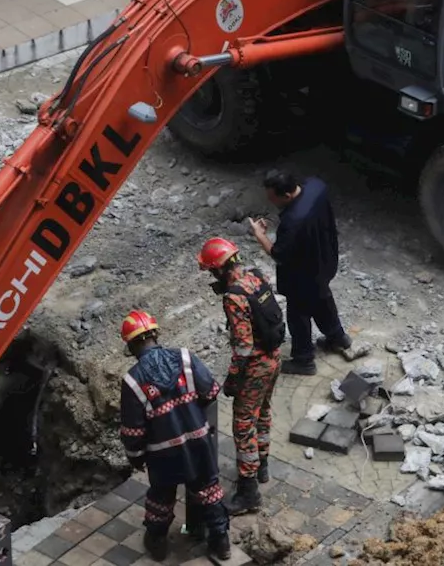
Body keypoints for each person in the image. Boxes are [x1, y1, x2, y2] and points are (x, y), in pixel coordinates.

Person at [119, 309, 231, 562]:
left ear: (132, 344)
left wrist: (135, 457)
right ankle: (221, 542)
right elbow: (212, 390)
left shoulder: (133, 381)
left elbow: (133, 430)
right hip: (199, 444)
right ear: (155, 334)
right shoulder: (185, 358)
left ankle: (157, 543)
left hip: (163, 454)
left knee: (161, 497)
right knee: (209, 490)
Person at [198, 237, 285, 515]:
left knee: (243, 422)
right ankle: (262, 466)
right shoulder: (257, 277)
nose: (213, 276)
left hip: (256, 366)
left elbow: (243, 346)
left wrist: (233, 379)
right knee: (263, 412)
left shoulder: (234, 296)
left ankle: (249, 492)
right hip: (275, 358)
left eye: (213, 271)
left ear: (221, 269)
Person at [249, 171, 351, 376]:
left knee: (298, 313)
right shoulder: (316, 185)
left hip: (303, 274)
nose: (270, 201)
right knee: (322, 298)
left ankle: (304, 360)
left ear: (286, 195)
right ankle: (337, 337)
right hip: (325, 260)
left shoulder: (293, 222)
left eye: (272, 197)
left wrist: (260, 236)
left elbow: (278, 254)